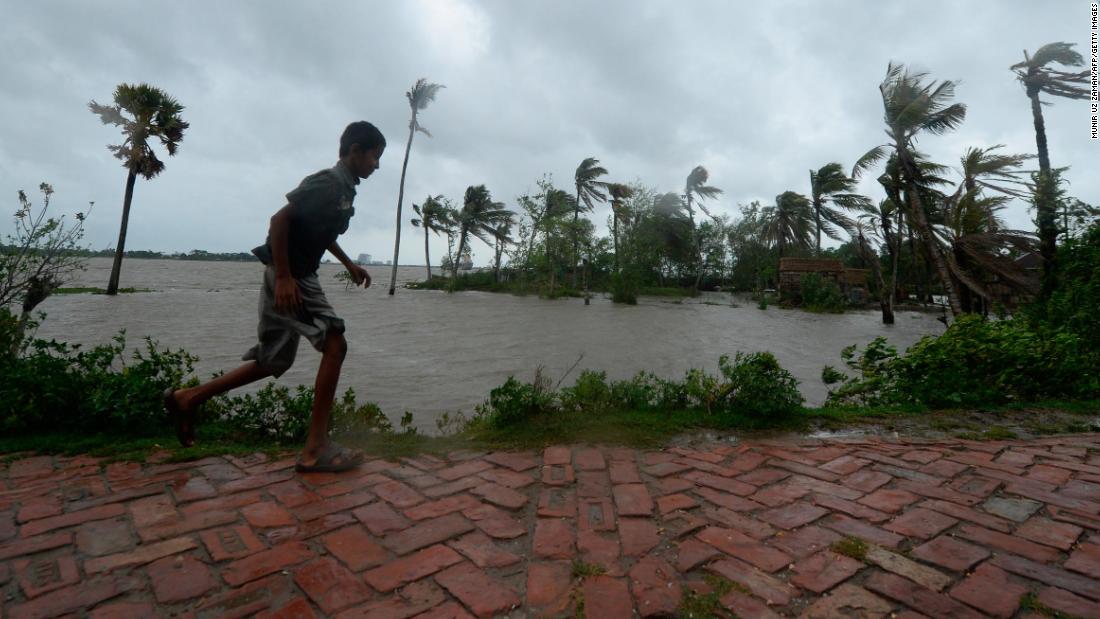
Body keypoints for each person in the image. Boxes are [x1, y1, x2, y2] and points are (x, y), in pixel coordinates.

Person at [164, 121, 385, 473]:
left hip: (296, 276)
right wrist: (284, 277)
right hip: (292, 277)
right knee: (335, 344)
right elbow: (280, 219)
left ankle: (187, 398)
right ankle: (315, 449)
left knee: (272, 361)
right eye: (374, 157)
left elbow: (319, 230)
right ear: (355, 151)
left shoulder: (345, 190)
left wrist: (348, 264)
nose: (377, 165)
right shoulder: (328, 182)